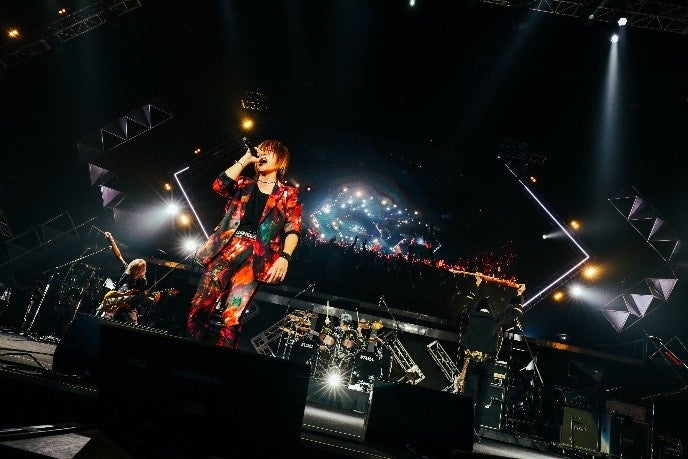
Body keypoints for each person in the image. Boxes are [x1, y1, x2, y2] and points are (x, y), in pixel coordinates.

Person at [187, 139, 302, 348]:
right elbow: (219, 185)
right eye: (261, 151)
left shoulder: (288, 195)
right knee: (200, 306)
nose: (262, 155)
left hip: (255, 257)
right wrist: (246, 158)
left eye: (268, 152)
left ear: (281, 162)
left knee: (233, 316)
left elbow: (293, 228)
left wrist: (285, 257)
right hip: (225, 249)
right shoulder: (243, 184)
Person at [455, 274, 525, 437]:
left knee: (470, 396)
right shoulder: (495, 319)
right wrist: (519, 295)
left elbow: (468, 302)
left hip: (473, 361)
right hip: (488, 364)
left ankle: (463, 428)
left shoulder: (472, 315)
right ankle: (475, 430)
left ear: (479, 308)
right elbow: (515, 313)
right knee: (482, 398)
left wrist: (476, 284)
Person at [97, 231, 161, 325]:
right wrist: (111, 241)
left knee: (133, 323)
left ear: (141, 271)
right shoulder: (127, 270)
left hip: (129, 305)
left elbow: (144, 296)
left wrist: (153, 300)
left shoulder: (143, 281)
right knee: (104, 318)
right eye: (134, 269)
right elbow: (118, 256)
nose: (135, 272)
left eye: (138, 270)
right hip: (116, 299)